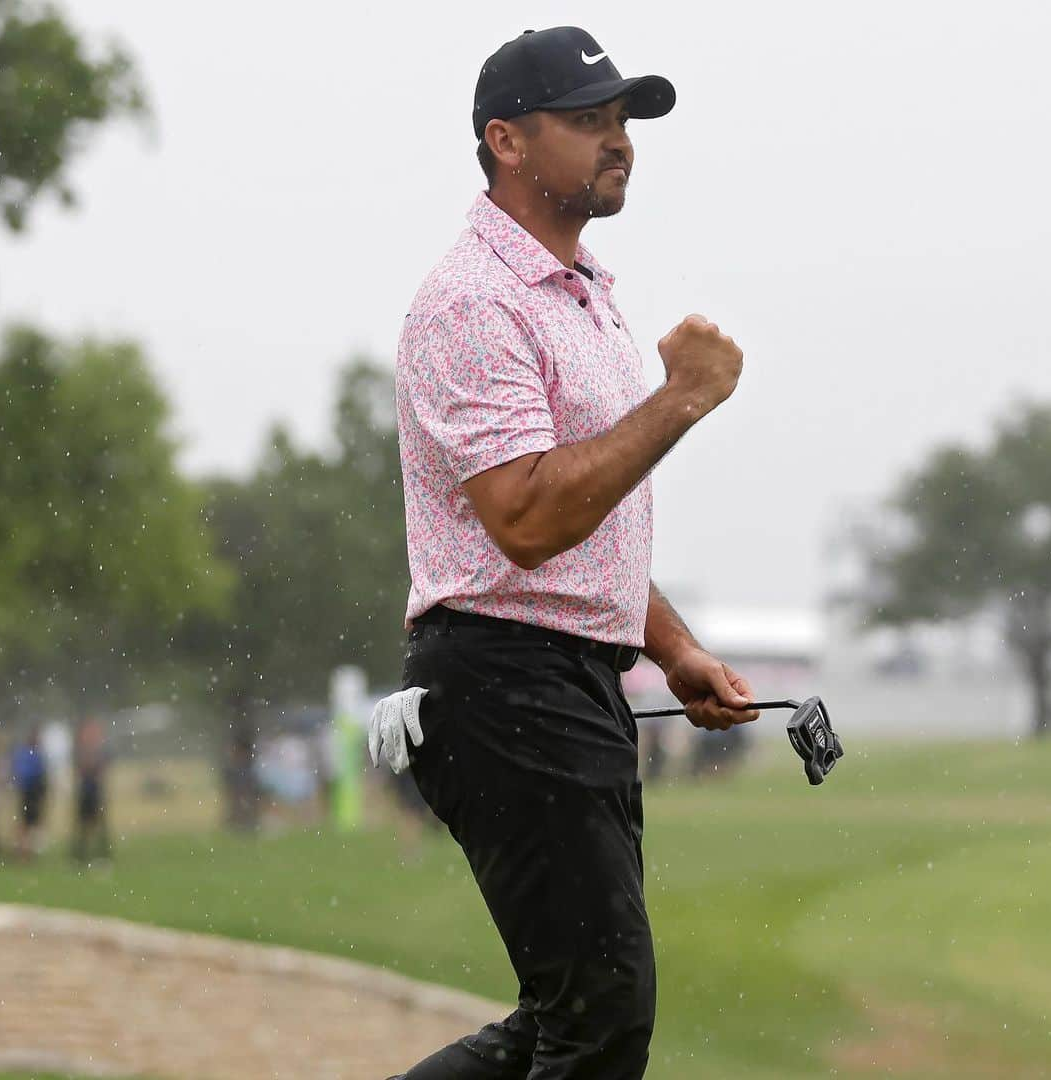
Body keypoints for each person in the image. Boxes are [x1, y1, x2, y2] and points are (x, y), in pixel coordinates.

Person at [386, 26, 760, 1079]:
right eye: (588, 120)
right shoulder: (471, 301)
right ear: (506, 140)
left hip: (561, 681)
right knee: (599, 1013)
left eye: (623, 121)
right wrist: (679, 401)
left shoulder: (581, 292)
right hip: (504, 681)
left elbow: (581, 527)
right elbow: (529, 518)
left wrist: (673, 649)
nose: (620, 142)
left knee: (565, 1014)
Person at [72, 716, 112, 864]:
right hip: (85, 790)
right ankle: (80, 855)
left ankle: (103, 854)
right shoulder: (81, 748)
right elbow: (81, 767)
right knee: (83, 825)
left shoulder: (99, 748)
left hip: (95, 790)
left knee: (100, 825)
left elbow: (102, 766)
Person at [11, 726, 48, 861]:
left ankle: (24, 852)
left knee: (27, 824)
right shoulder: (31, 754)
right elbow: (37, 774)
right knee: (28, 824)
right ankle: (25, 852)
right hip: (31, 793)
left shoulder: (24, 753)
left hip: (28, 792)